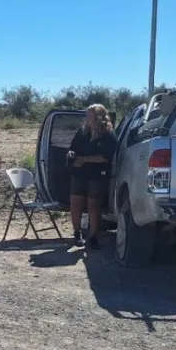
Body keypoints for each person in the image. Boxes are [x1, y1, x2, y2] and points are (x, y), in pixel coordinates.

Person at [67, 103, 118, 249]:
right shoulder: (82, 132)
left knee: (93, 205)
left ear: (99, 117)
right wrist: (71, 155)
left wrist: (84, 159)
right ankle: (77, 233)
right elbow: (73, 149)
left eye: (90, 115)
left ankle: (93, 235)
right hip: (79, 173)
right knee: (75, 203)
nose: (87, 118)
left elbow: (105, 157)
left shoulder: (108, 134)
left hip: (97, 174)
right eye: (87, 115)